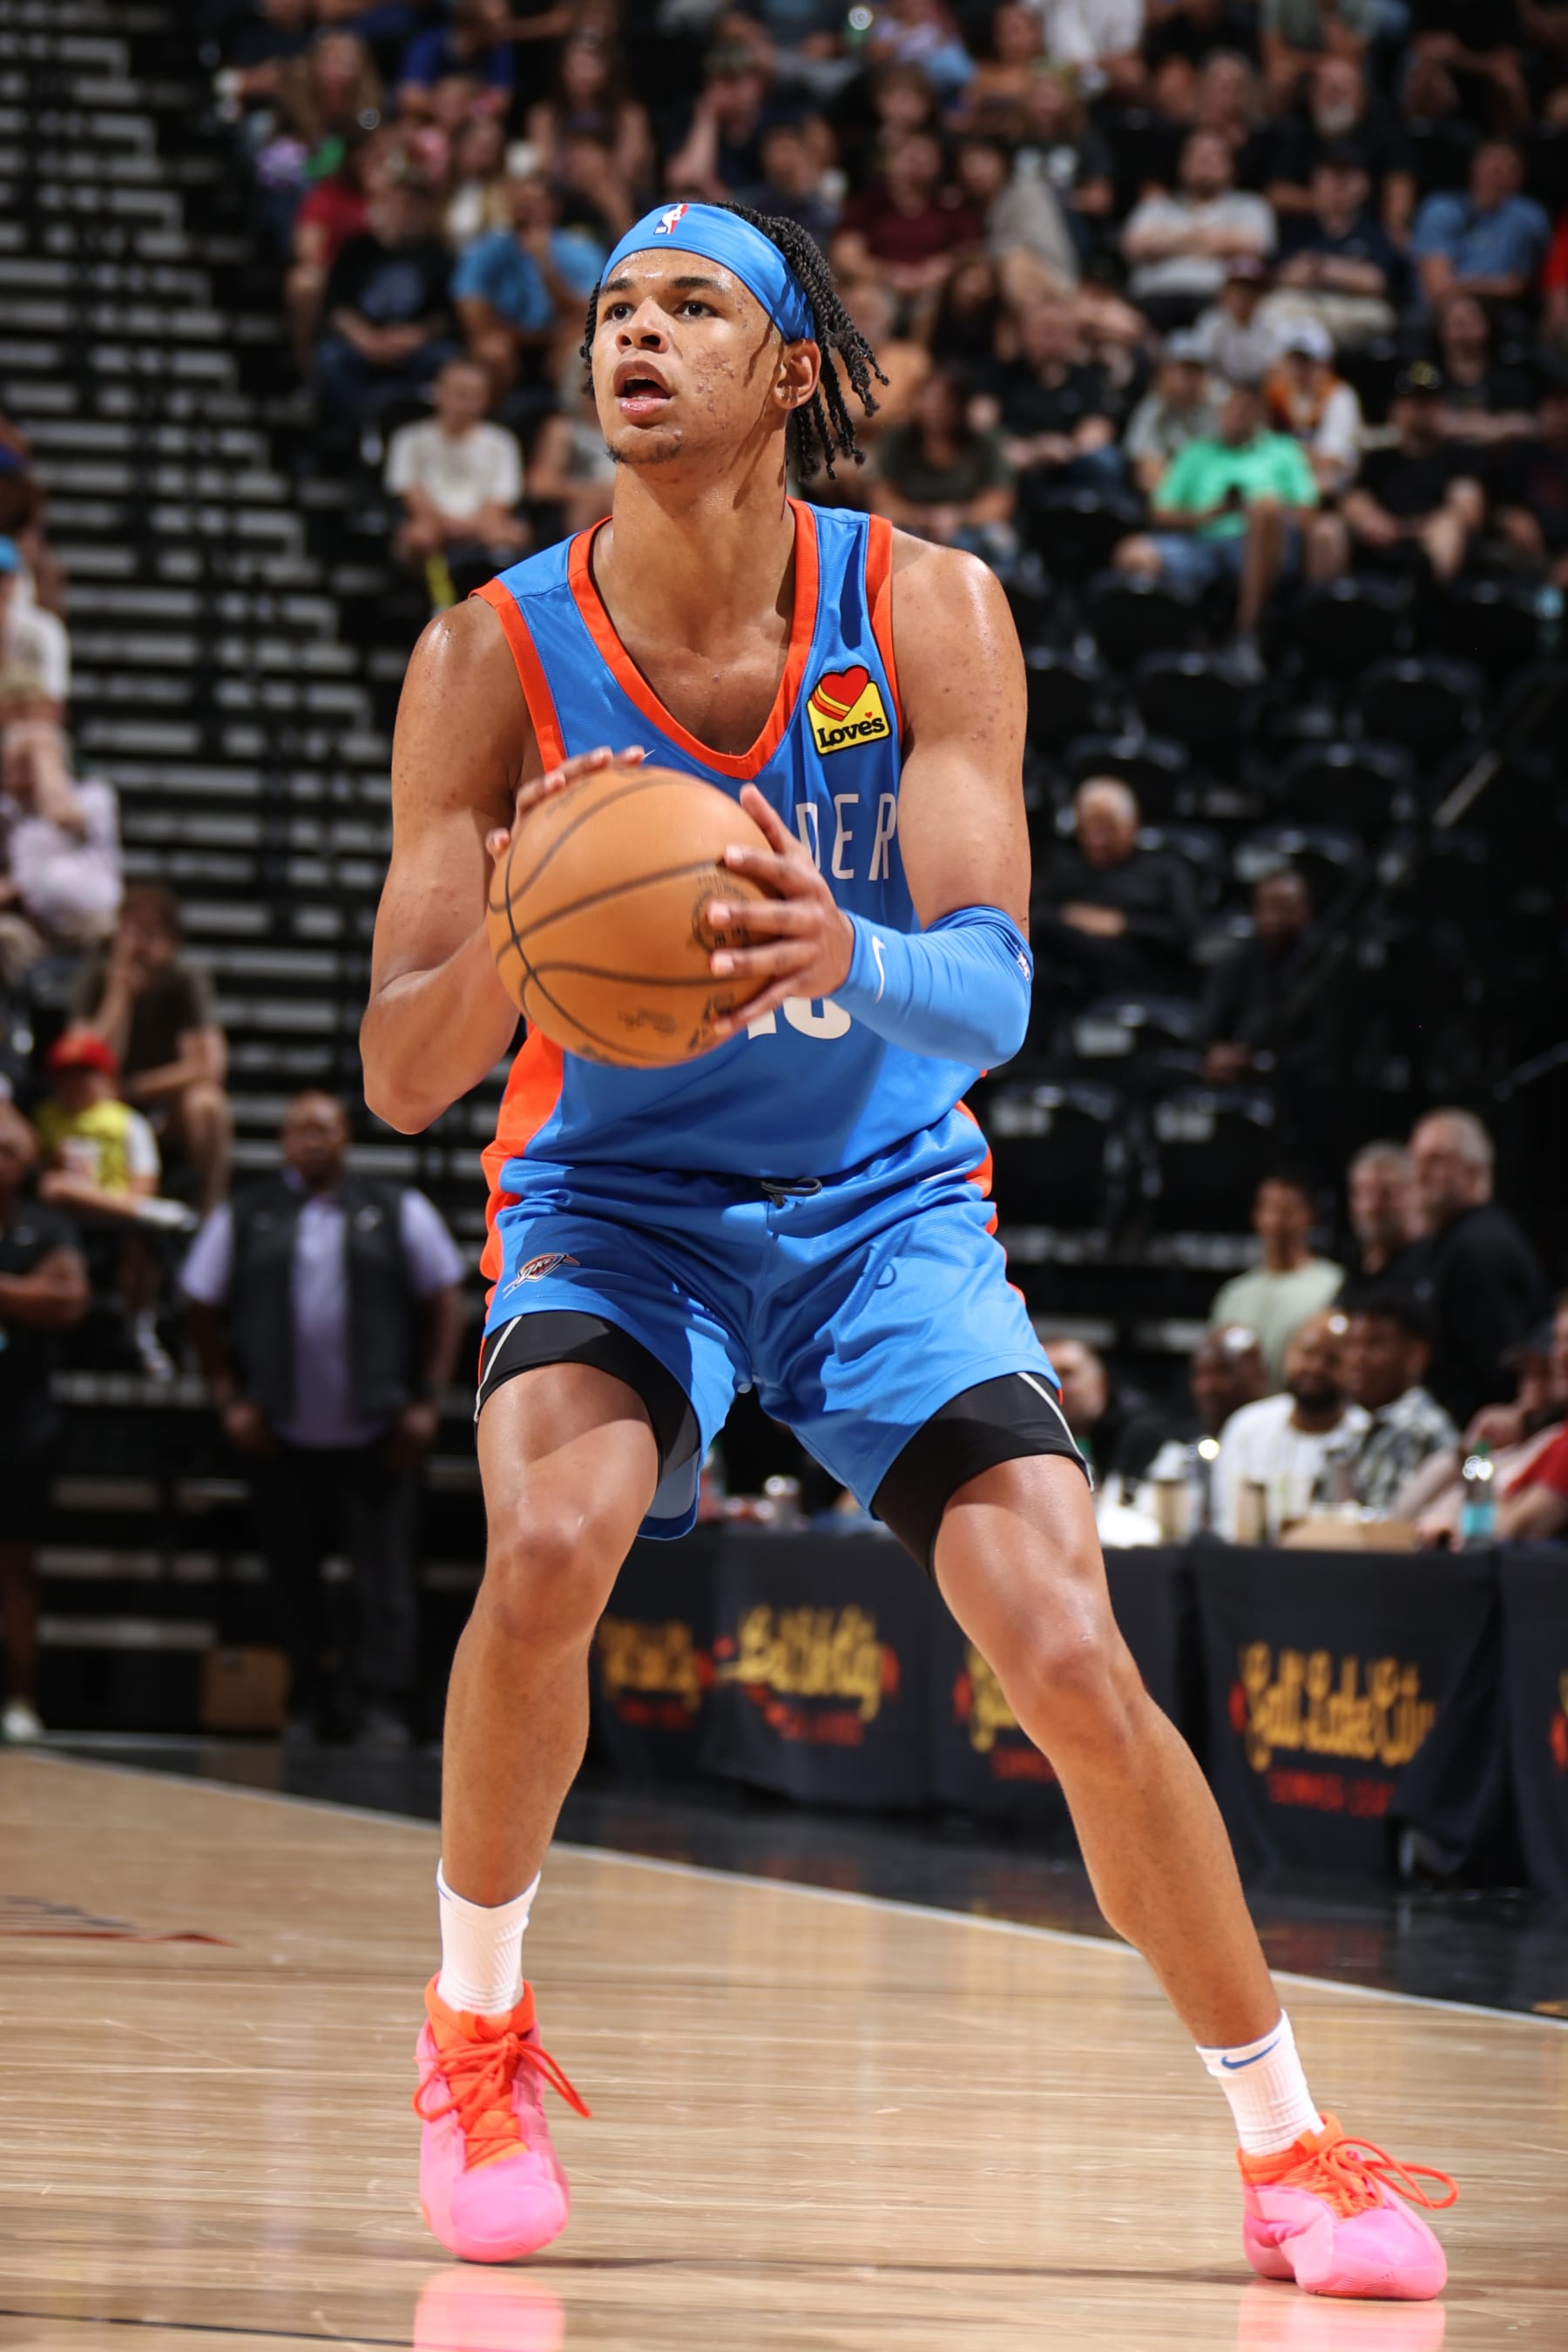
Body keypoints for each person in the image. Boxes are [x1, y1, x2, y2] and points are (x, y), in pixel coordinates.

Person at [362, 197, 1456, 2288]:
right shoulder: (483, 655)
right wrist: (515, 942)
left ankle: (1290, 2146)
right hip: (617, 1202)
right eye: (610, 308)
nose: (633, 335)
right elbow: (408, 1068)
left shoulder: (926, 610)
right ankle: (476, 2029)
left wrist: (834, 947)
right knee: (550, 1541)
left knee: (1064, 1641)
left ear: (794, 374)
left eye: (692, 303)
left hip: (876, 1209)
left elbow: (993, 993)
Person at [181, 1092, 466, 1747]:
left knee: (386, 1579)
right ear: (283, 1140)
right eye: (299, 1129)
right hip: (280, 1432)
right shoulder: (248, 1213)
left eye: (325, 1129)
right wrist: (230, 1397)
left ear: (346, 1138)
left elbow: (444, 1301)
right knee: (290, 1575)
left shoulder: (396, 1207)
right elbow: (200, 1303)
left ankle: (382, 1707)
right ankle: (306, 1698)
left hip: (378, 1430)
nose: (313, 1140)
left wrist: (425, 1400)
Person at [1112, 383, 1335, 645]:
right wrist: (1209, 514)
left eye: (1247, 409)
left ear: (1260, 415)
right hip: (1200, 540)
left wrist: (1261, 511)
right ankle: (1146, 646)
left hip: (1261, 543)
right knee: (1133, 553)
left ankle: (1247, 633)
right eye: (1233, 408)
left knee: (1264, 507)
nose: (1239, 415)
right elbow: (1160, 513)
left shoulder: (1283, 451)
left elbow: (1308, 511)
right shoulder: (1195, 452)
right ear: (1220, 412)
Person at [0, 1098, 88, 1744]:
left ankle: (20, 1697)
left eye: (7, 1149)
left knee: (17, 1565)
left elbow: (66, 1298)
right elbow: (44, 1293)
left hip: (20, 1416)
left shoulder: (46, 1227)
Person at [32, 1031, 188, 1381]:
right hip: (57, 1221)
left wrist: (90, 1197)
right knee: (53, 1193)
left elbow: (143, 1187)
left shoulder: (128, 1123)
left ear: (104, 1077)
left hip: (115, 1219)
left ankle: (139, 1331)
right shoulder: (43, 1120)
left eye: (84, 1073)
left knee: (140, 1244)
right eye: (65, 1074)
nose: (74, 1083)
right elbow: (36, 1179)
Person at [70, 882, 233, 1215]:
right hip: (102, 1102)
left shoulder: (185, 979)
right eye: (130, 932)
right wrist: (119, 996)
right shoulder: (96, 976)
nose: (138, 946)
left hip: (160, 1107)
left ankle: (206, 1216)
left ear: (173, 941)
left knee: (208, 1104)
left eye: (150, 932)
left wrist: (138, 1087)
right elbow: (81, 1058)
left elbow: (209, 1065)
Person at [1407, 1106, 1548, 1426]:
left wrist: (1479, 1456)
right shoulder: (1451, 1240)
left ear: (1473, 1170)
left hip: (1480, 1444)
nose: (1420, 1173)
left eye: (1436, 1160)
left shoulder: (1479, 1249)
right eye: (1416, 1161)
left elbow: (1501, 1370)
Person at [1199, 866, 1349, 1126]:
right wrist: (1217, 1052)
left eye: (1285, 908)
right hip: (1238, 1079)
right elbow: (1208, 1026)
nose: (1276, 917)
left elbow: (1329, 1045)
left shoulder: (1326, 966)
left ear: (1305, 912)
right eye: (1268, 907)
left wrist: (1265, 1063)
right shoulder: (1235, 963)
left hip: (1302, 1086)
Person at [1031, 775, 1200, 999]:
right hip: (1066, 972)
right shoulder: (1064, 863)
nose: (1094, 840)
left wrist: (1121, 924)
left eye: (1105, 830)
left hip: (1140, 972)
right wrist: (1071, 917)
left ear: (1132, 826)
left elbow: (1186, 932)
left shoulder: (1166, 869)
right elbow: (1036, 914)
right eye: (1085, 829)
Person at [315, 172, 457, 433]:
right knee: (331, 357)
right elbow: (335, 306)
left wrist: (417, 335)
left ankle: (408, 420)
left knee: (445, 357)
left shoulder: (437, 255)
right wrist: (365, 337)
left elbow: (447, 316)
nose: (403, 212)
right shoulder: (356, 248)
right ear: (381, 205)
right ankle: (362, 426)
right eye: (397, 203)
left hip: (413, 344)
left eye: (412, 206)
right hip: (362, 340)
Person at [385, 357, 528, 604]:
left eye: (474, 395)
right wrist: (442, 523)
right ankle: (433, 603)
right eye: (459, 394)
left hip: (483, 523)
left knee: (515, 535)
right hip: (431, 523)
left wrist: (473, 525)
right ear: (438, 393)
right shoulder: (410, 439)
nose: (465, 403)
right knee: (419, 537)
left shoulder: (501, 442)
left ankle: (491, 608)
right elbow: (410, 492)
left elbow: (502, 497)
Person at [1215, 1310, 1369, 1538]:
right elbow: (1227, 1518)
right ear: (1288, 1353)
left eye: (1333, 1360)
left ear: (1354, 1366)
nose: (1316, 1368)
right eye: (1308, 1353)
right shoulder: (1248, 1426)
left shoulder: (1366, 1434)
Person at [1335, 362, 1485, 585]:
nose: (1420, 409)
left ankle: (1427, 603)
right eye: (1413, 401)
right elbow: (1354, 500)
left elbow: (1468, 510)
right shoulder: (1378, 459)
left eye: (1428, 402)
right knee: (1330, 527)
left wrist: (1414, 530)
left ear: (1441, 407)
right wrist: (1367, 516)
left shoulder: (1460, 456)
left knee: (1448, 527)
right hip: (1381, 541)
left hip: (1432, 544)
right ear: (1397, 408)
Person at [0, 722, 120, 980]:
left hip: (91, 921)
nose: (16, 778)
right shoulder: (8, 812)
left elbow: (64, 818)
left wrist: (44, 750)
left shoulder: (93, 797)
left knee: (112, 934)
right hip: (36, 928)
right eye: (11, 767)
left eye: (26, 767)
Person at [1121, 130, 1275, 328]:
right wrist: (1213, 242)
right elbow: (1135, 246)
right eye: (1197, 157)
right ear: (1182, 165)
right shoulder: (1155, 206)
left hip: (1218, 301)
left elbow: (1253, 246)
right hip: (1154, 300)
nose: (1205, 163)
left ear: (1231, 166)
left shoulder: (1251, 206)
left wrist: (1170, 242)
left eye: (1213, 157)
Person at [1208, 1171, 1345, 1382]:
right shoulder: (1234, 1294)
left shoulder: (1333, 1284)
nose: (1276, 1221)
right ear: (1256, 1216)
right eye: (1269, 1210)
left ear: (1308, 1216)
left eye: (1287, 1211)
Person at [1329, 1292, 1457, 1514]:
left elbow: (1387, 1535)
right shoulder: (1359, 1425)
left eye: (1374, 1344)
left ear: (1416, 1355)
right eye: (1351, 1344)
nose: (1357, 1358)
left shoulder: (1418, 1429)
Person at [1123, 1321, 1270, 1511]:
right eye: (1200, 1374)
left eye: (1223, 1371)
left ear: (1260, 1374)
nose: (1208, 1387)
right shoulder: (1177, 1449)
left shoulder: (1281, 1438)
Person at [1267, 148, 1403, 348]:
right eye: (1331, 177)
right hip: (1307, 306)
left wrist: (1320, 267)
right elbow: (1285, 276)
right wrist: (1346, 272)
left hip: (1351, 308)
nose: (1339, 185)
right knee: (1273, 308)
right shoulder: (1297, 227)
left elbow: (1375, 281)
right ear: (1315, 181)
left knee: (1380, 316)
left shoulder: (1374, 232)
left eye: (1347, 178)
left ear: (1365, 186)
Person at [872, 366, 1016, 552]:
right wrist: (920, 517)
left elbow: (1000, 502)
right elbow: (881, 499)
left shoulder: (985, 442)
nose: (936, 407)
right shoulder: (897, 441)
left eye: (947, 400)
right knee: (881, 531)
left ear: (962, 406)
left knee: (998, 538)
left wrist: (956, 517)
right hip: (912, 525)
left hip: (969, 527)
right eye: (929, 397)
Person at [1409, 140, 1550, 312]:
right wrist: (1491, 286)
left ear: (1520, 177)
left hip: (1500, 312)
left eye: (1510, 168)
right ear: (1474, 168)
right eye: (1493, 167)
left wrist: (1467, 284)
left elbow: (1521, 285)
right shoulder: (1441, 210)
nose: (1499, 174)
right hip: (1442, 312)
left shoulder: (1530, 218)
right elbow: (1439, 290)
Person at [1261, 315, 1362, 494]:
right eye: (1293, 361)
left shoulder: (1339, 396)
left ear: (1324, 364)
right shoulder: (1275, 393)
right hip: (1289, 476)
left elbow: (1331, 461)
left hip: (1331, 485)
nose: (1298, 370)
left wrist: (1284, 453)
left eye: (1306, 362)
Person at [1491, 364, 1568, 585]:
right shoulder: (1522, 453)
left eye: (1563, 405)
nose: (1557, 414)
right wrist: (1510, 517)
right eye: (1551, 405)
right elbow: (1494, 507)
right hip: (1526, 557)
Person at [1122, 330, 1221, 496]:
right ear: (1166, 372)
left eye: (1196, 372)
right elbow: (1145, 463)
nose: (1190, 379)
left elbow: (1219, 460)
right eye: (1184, 371)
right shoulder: (1152, 408)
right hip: (1168, 491)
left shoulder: (1214, 406)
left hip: (1206, 486)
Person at [1337, 1139, 1424, 1308]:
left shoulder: (1430, 1266)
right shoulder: (1354, 1263)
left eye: (1387, 1194)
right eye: (1363, 1193)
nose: (1372, 1206)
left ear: (1415, 1194)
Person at [0, 537, 69, 727]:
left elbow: (52, 708)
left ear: (15, 581)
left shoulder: (43, 631)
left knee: (36, 746)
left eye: (1, 577)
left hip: (26, 734)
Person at [1189, 255, 1284, 389]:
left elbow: (1275, 370)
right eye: (1237, 290)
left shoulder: (1272, 323)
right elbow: (1205, 369)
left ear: (1259, 295)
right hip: (1222, 392)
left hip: (1260, 392)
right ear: (1225, 293)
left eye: (1249, 290)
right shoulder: (1211, 323)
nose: (1243, 296)